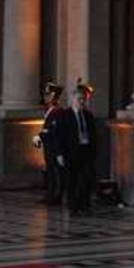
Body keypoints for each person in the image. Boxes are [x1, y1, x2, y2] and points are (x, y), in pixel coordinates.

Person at [58, 78, 99, 215]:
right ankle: (73, 207)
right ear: (72, 100)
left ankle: (84, 205)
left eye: (83, 99)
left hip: (85, 150)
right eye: (79, 99)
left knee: (87, 178)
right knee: (72, 180)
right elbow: (60, 136)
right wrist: (60, 154)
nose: (81, 102)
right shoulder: (65, 115)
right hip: (71, 152)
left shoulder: (88, 115)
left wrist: (94, 151)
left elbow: (92, 134)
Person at [34, 80, 65, 204]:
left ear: (54, 96)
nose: (45, 97)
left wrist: (40, 136)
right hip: (49, 146)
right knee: (51, 171)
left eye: (48, 95)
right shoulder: (50, 111)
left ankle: (56, 195)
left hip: (54, 147)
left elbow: (53, 131)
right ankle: (51, 194)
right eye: (45, 94)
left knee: (56, 172)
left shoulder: (57, 111)